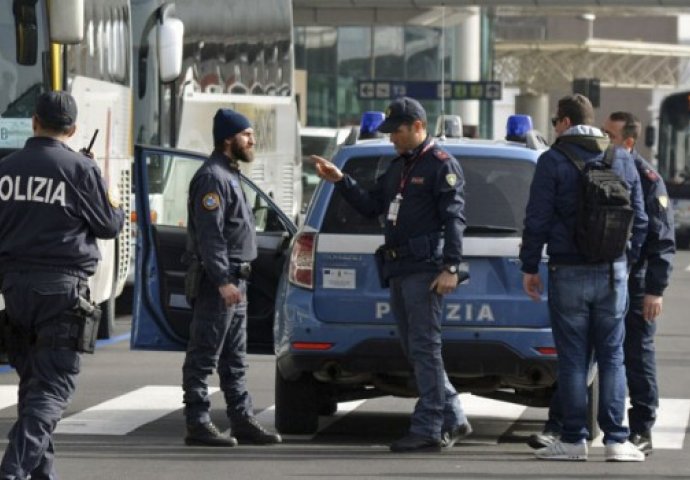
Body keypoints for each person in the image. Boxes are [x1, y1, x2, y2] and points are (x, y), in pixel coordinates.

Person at [312, 96, 472, 453]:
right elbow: (372, 206)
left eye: (396, 131)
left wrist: (451, 267)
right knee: (415, 349)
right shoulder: (399, 166)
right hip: (399, 269)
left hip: (424, 270)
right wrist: (341, 181)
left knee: (425, 348)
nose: (391, 138)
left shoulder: (440, 165)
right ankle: (453, 414)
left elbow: (454, 219)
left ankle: (429, 426)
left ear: (418, 126)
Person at [528, 111, 675, 456]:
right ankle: (616, 440)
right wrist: (626, 260)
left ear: (566, 131)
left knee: (574, 358)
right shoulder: (623, 160)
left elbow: (537, 217)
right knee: (613, 357)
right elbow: (640, 221)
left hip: (567, 271)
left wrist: (530, 265)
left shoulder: (552, 160)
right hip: (613, 272)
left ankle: (574, 438)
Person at [0, 91, 125, 480]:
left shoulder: (5, 169)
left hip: (14, 290)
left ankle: (41, 474)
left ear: (34, 122)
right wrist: (112, 195)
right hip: (61, 291)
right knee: (52, 390)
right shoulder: (80, 170)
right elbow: (108, 225)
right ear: (72, 129)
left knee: (34, 386)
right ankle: (13, 471)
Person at [182, 108, 282, 447]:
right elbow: (211, 236)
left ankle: (241, 419)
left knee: (235, 360)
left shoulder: (229, 174)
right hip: (218, 283)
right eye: (246, 134)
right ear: (228, 139)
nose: (252, 140)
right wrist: (223, 280)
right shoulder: (213, 178)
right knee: (204, 355)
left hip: (236, 281)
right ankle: (197, 421)